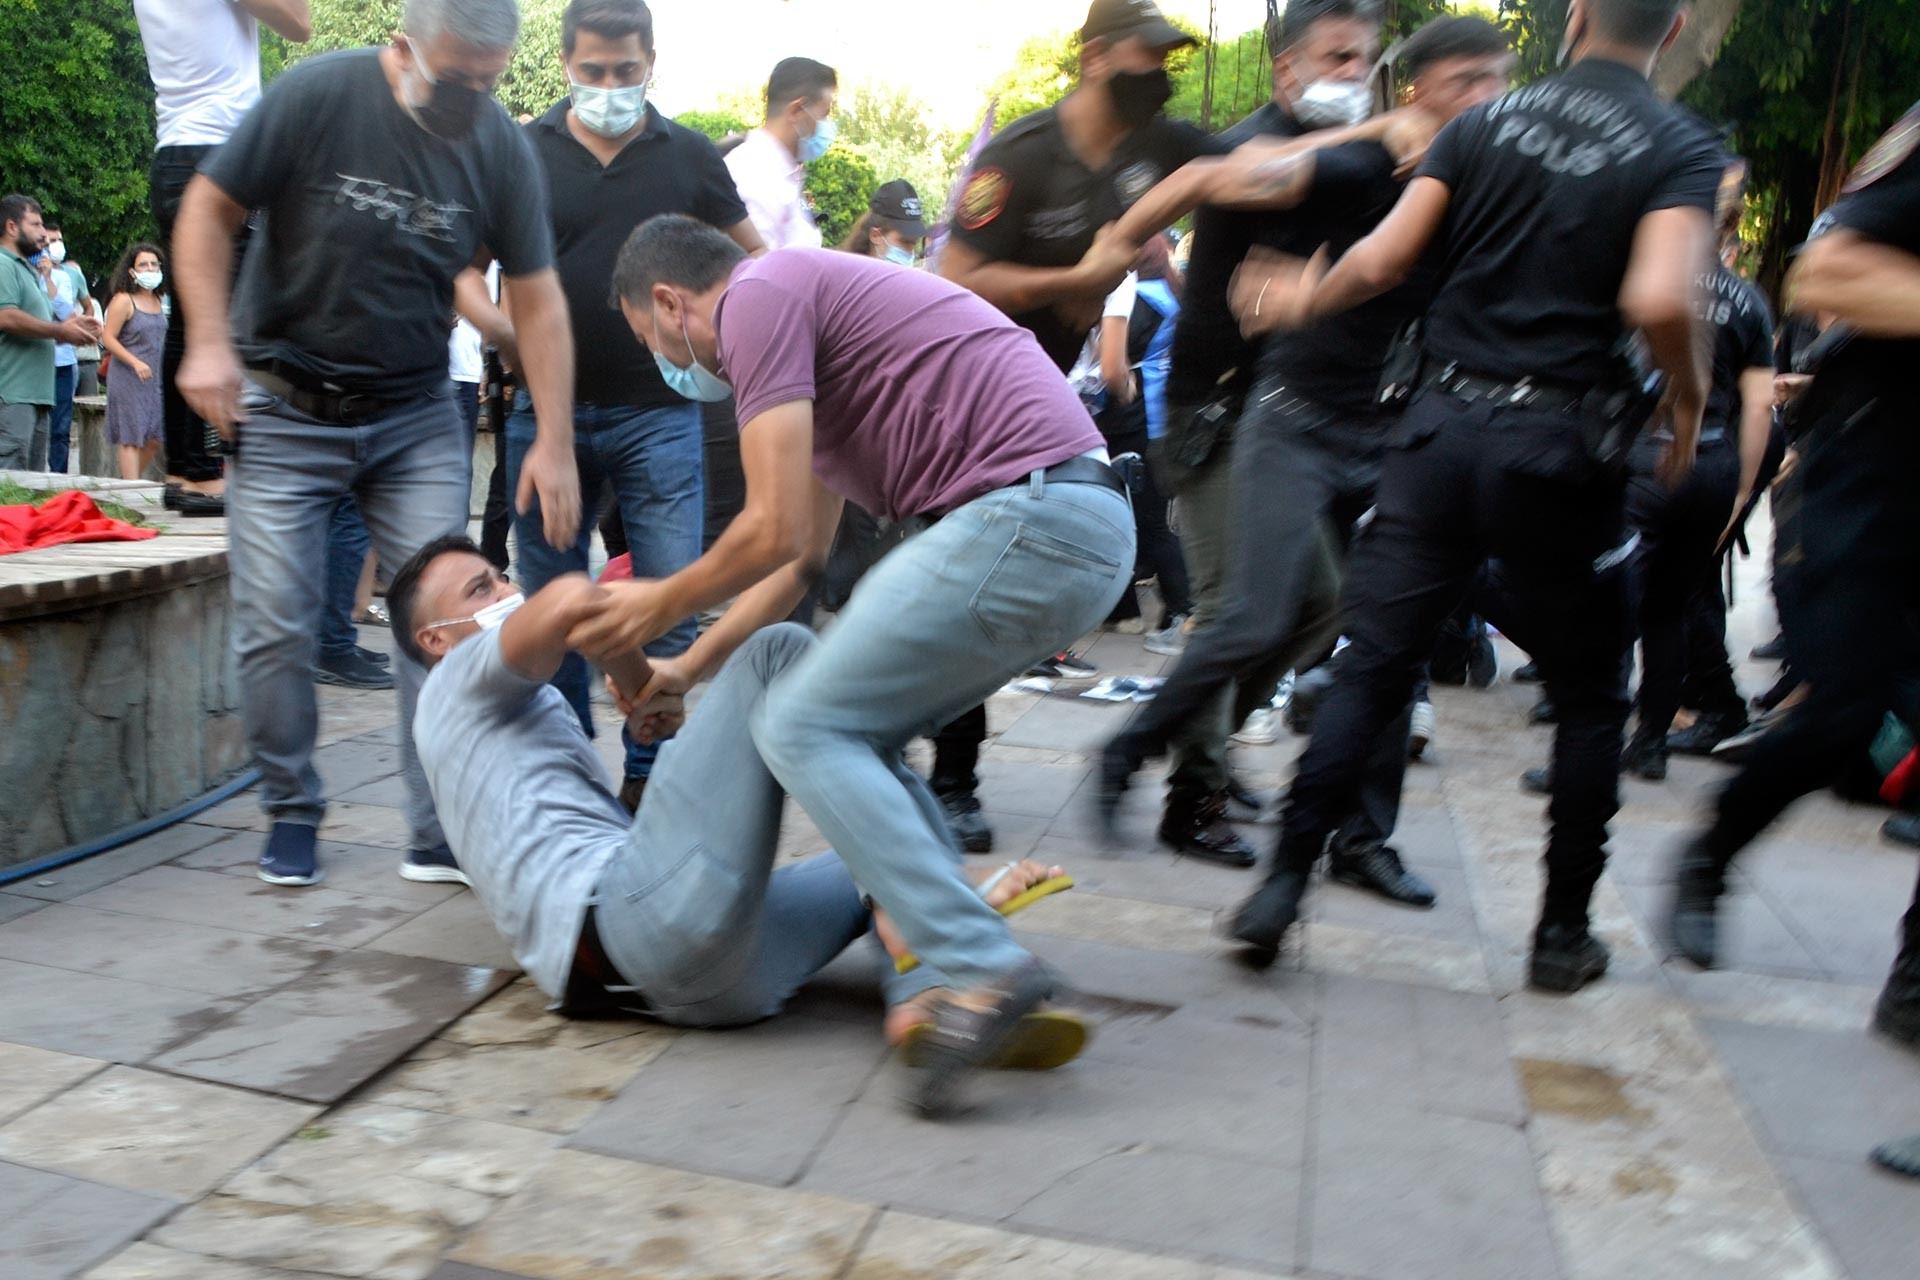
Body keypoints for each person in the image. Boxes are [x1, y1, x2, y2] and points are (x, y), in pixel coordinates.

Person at [571, 215, 1134, 1115]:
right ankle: (938, 978)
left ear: (671, 303)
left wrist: (660, 604)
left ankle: (981, 964)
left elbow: (768, 529)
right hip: (1068, 530)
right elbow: (798, 560)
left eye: (650, 340)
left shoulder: (758, 296)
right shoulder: (812, 348)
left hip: (1027, 519)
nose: (667, 366)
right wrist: (689, 669)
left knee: (803, 724)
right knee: (849, 730)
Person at [1226, 0, 1724, 992]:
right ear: (1671, 32)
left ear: (1577, 15)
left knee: (1374, 662)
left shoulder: (1482, 122)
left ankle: (1279, 887)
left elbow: (1385, 258)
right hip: (1559, 451)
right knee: (1591, 694)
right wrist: (1687, 393)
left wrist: (1305, 298)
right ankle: (1562, 934)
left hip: (1437, 434)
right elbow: (1661, 299)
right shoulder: (1678, 145)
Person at [395, 535, 1080, 1074]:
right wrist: (648, 643)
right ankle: (943, 920)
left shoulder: (510, 705)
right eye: (481, 588)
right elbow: (572, 600)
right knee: (779, 650)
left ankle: (923, 1002)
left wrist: (647, 687)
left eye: (501, 576)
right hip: (627, 922)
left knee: (877, 844)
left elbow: (612, 652)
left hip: (701, 990)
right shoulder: (452, 687)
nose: (506, 591)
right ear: (436, 639)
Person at [1096, 8, 1513, 890]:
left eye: (1366, 60)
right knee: (1239, 611)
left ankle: (1206, 751)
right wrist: (1112, 248)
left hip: (1320, 412)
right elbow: (1203, 179)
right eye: (1339, 57)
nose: (1356, 74)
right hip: (1223, 414)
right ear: (1287, 68)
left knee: (1324, 612)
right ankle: (1190, 790)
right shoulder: (1277, 147)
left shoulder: (1403, 156)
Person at [171, 0, 582, 889]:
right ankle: (291, 806)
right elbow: (207, 207)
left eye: (489, 82)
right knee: (275, 625)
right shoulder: (319, 95)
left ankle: (439, 830)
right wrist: (205, 340)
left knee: (446, 623)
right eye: (456, 79)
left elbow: (539, 296)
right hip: (284, 403)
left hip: (413, 412)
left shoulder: (498, 146)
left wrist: (554, 436)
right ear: (403, 48)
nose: (474, 99)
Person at [1664, 101, 1920, 1180]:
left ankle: (1914, 980)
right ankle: (1712, 854)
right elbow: (1829, 272)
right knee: (1841, 719)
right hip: (1875, 492)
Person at [501, 0, 766, 815]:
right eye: (592, 71)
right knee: (551, 606)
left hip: (661, 413)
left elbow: (756, 264)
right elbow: (464, 269)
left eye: (625, 70)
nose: (609, 86)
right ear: (565, 64)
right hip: (545, 416)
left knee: (670, 602)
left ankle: (651, 780)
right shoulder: (523, 152)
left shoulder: (688, 155)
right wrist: (505, 336)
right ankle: (567, 776)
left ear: (652, 61)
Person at [133, 0, 314, 513]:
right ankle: (206, 474)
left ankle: (184, 470)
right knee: (231, 324)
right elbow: (298, 23)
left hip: (175, 152)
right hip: (219, 154)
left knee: (190, 324)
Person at [0, 195, 97, 471]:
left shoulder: (28, 270)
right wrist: (60, 331)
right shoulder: (3, 264)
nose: (44, 233)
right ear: (11, 227)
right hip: (13, 395)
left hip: (36, 395)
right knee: (10, 481)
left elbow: (39, 326)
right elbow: (6, 316)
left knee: (31, 485)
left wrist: (74, 329)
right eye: (36, 224)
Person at [100, 244, 170, 481]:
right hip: (128, 376)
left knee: (155, 437)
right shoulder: (123, 300)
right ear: (131, 271)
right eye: (143, 264)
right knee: (131, 436)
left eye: (154, 264)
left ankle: (128, 482)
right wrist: (134, 362)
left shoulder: (159, 299)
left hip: (154, 378)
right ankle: (131, 487)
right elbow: (108, 338)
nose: (149, 269)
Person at [43, 222, 94, 475]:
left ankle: (58, 478)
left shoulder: (65, 276)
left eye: (58, 241)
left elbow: (67, 313)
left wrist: (47, 278)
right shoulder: (21, 272)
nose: (55, 246)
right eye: (49, 241)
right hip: (36, 361)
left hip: (63, 361)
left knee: (61, 427)